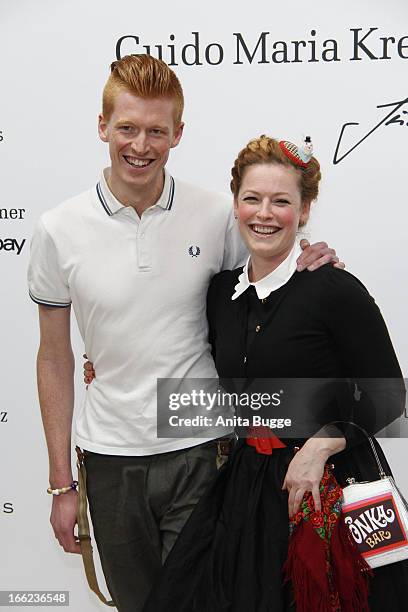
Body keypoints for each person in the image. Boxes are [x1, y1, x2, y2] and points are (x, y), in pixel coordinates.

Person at [28, 55, 342, 612]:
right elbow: (54, 357)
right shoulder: (58, 230)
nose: (140, 145)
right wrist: (61, 484)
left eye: (156, 130)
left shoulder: (217, 215)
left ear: (178, 133)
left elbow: (269, 292)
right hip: (108, 458)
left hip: (203, 448)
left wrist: (311, 257)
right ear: (103, 127)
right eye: (127, 128)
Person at [142, 136, 408, 612]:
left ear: (304, 211)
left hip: (331, 485)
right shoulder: (221, 293)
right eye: (252, 199)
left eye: (281, 201)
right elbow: (178, 347)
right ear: (236, 204)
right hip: (249, 484)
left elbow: (389, 396)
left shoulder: (335, 289)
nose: (264, 213)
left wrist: (322, 444)